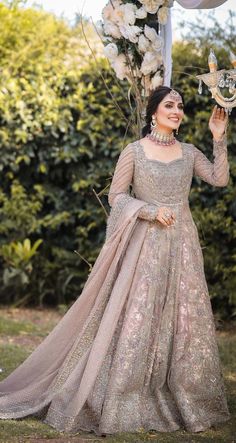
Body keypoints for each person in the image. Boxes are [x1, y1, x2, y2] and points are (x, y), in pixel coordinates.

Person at [0, 86, 230, 435]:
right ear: (153, 112)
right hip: (143, 246)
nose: (177, 110)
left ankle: (173, 389)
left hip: (183, 245)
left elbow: (220, 178)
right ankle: (123, 393)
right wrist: (150, 211)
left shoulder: (189, 152)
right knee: (137, 315)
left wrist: (219, 138)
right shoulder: (134, 152)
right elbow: (117, 196)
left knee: (180, 318)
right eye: (169, 104)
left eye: (180, 106)